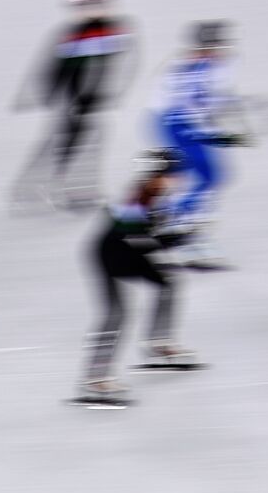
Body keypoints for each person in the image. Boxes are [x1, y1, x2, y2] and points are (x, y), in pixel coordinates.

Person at [78, 149, 197, 406]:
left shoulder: (154, 193)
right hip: (109, 256)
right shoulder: (140, 197)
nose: (177, 180)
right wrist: (176, 239)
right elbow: (141, 242)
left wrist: (175, 236)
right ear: (159, 175)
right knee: (116, 315)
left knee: (168, 283)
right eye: (173, 175)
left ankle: (158, 341)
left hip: (126, 251)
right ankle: (95, 377)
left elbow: (146, 236)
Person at [11, 0, 137, 209]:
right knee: (67, 144)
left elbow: (124, 66)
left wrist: (109, 94)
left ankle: (72, 191)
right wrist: (43, 93)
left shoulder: (115, 32)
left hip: (91, 100)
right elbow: (51, 66)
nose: (92, 11)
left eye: (97, 5)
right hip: (72, 100)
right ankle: (38, 190)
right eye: (86, 6)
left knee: (82, 144)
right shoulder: (72, 35)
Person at [148, 20, 250, 269]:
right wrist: (221, 133)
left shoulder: (178, 63)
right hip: (183, 124)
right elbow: (209, 103)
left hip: (168, 121)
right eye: (219, 44)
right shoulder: (217, 65)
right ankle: (178, 234)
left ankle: (166, 230)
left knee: (191, 179)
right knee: (208, 177)